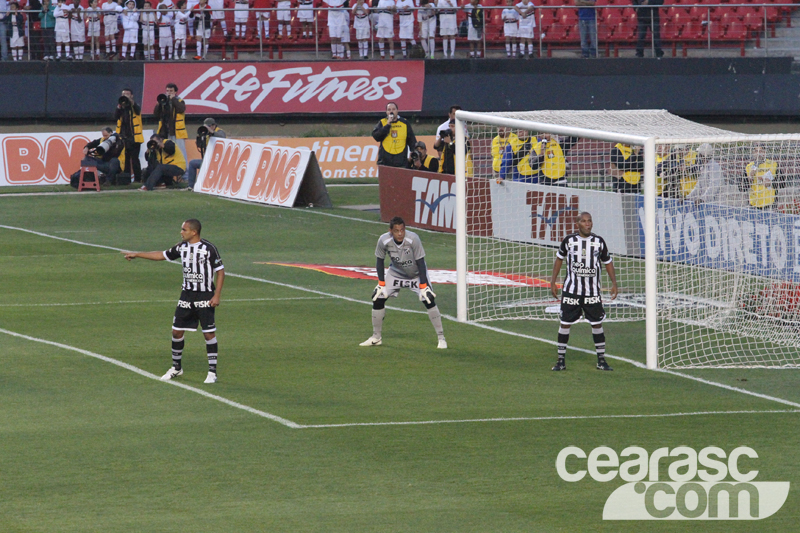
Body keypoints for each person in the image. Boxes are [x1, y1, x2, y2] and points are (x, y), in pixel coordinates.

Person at [122, 219, 225, 385]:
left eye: (184, 230)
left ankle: (212, 372)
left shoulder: (209, 249)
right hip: (186, 295)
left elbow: (220, 272)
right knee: (176, 332)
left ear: (194, 232)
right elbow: (162, 255)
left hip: (205, 296)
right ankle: (176, 367)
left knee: (208, 333)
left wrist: (217, 295)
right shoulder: (181, 247)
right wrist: (138, 254)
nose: (181, 232)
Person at [360, 216, 447, 349]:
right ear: (390, 231)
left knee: (428, 299)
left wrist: (423, 286)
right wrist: (381, 283)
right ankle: (376, 337)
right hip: (396, 273)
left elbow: (421, 262)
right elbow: (379, 260)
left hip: (415, 275)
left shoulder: (413, 239)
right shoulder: (384, 240)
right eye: (396, 231)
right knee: (378, 297)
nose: (400, 233)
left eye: (402, 230)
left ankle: (441, 338)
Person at [549, 211, 617, 372]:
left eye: (590, 221)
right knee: (565, 323)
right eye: (584, 221)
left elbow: (607, 262)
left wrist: (614, 282)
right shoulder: (569, 241)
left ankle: (601, 360)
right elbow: (559, 259)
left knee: (597, 323)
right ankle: (560, 361)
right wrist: (553, 282)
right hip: (572, 291)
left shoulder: (599, 242)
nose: (588, 224)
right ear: (577, 224)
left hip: (592, 292)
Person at [372, 102, 417, 168]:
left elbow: (412, 140)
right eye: (389, 110)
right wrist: (388, 125)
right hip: (385, 160)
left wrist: (414, 153)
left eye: (393, 109)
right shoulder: (382, 122)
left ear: (397, 111)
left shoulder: (404, 123)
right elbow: (376, 136)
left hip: (400, 159)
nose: (391, 111)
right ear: (386, 112)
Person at [185, 117, 227, 189]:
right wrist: (200, 138)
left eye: (209, 126)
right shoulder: (205, 134)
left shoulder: (220, 131)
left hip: (218, 160)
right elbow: (200, 146)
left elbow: (222, 137)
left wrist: (212, 132)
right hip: (208, 159)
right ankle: (190, 186)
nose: (207, 128)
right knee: (192, 163)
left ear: (214, 126)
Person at [154, 82, 188, 161]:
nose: (169, 93)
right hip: (165, 131)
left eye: (171, 91)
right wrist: (158, 104)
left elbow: (181, 109)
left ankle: (184, 170)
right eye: (167, 91)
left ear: (175, 92)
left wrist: (173, 99)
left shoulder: (179, 100)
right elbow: (156, 114)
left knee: (180, 151)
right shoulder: (163, 102)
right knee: (166, 152)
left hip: (176, 132)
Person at [115, 87, 143, 182]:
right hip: (124, 137)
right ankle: (126, 179)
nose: (125, 96)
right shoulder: (121, 107)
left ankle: (138, 179)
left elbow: (138, 110)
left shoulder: (135, 106)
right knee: (125, 159)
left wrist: (131, 102)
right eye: (123, 94)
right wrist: (120, 106)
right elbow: (115, 116)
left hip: (134, 138)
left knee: (135, 160)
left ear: (131, 95)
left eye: (127, 94)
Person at [745, 144, 779, 209]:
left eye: (761, 151)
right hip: (754, 203)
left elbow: (783, 183)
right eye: (756, 151)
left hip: (770, 203)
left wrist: (770, 183)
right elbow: (742, 188)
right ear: (752, 153)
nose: (758, 153)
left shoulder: (773, 164)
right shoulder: (748, 167)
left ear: (765, 152)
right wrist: (749, 177)